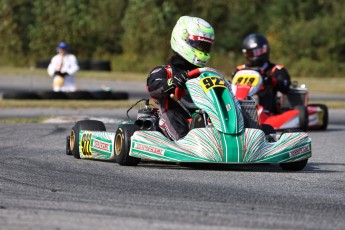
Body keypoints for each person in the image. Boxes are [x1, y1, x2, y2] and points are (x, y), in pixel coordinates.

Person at [146, 16, 215, 141]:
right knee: (174, 115)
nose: (203, 51)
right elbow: (153, 87)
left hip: (204, 116)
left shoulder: (205, 74)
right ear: (183, 40)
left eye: (206, 47)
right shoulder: (165, 71)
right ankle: (186, 143)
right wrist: (172, 82)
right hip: (174, 116)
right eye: (199, 45)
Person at [233, 33, 291, 114]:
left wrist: (271, 81)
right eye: (251, 53)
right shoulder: (240, 70)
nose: (254, 56)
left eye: (257, 52)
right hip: (241, 109)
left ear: (265, 50)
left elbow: (285, 87)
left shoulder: (276, 70)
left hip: (267, 112)